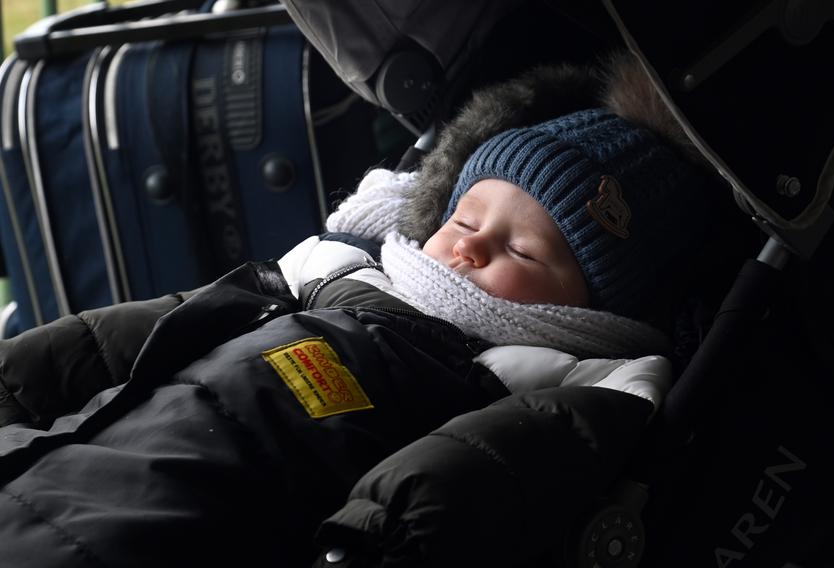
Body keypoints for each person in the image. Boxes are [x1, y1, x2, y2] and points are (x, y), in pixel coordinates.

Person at [0, 52, 715, 567]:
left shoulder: (538, 381)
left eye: (521, 254)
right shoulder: (335, 273)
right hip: (70, 461)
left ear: (591, 313)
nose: (468, 249)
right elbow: (134, 336)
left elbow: (449, 481)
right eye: (464, 221)